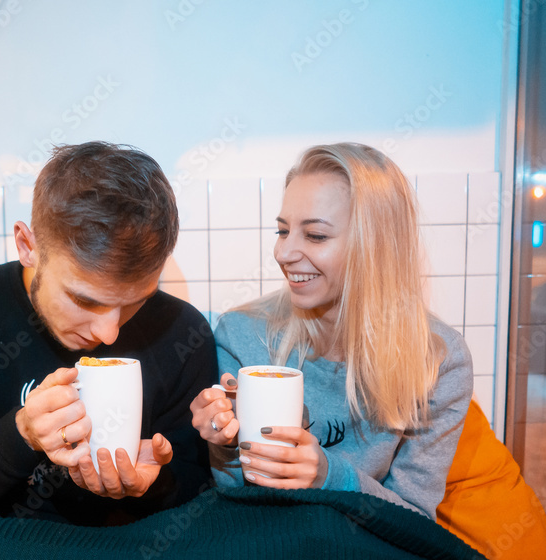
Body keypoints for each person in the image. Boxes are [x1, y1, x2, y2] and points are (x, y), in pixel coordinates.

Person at [0, 141, 216, 525]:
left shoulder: (183, 332)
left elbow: (201, 498)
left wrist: (155, 484)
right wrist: (21, 436)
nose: (109, 333)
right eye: (85, 300)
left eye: (135, 302)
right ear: (28, 246)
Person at [190, 142, 473, 519]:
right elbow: (234, 496)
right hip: (262, 542)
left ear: (375, 246)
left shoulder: (440, 359)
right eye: (282, 230)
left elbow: (416, 522)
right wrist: (223, 444)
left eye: (315, 236)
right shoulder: (243, 333)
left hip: (364, 556)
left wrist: (328, 475)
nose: (284, 253)